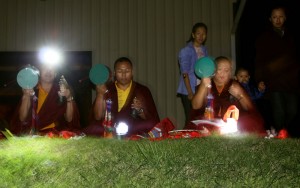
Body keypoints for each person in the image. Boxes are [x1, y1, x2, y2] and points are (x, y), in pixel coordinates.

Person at [186, 56, 265, 134]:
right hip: (210, 122)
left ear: (230, 73)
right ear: (213, 71)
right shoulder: (206, 83)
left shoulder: (236, 85)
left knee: (250, 122)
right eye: (219, 69)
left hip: (230, 123)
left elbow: (250, 108)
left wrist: (240, 95)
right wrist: (203, 85)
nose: (222, 73)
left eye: (226, 70)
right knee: (200, 125)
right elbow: (195, 106)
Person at [83, 57, 160, 137]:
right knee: (93, 128)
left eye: (127, 71)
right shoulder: (107, 89)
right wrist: (100, 94)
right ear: (114, 73)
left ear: (132, 72)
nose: (123, 75)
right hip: (111, 126)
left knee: (152, 124)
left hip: (132, 126)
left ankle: (119, 135)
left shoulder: (142, 90)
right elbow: (98, 117)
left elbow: (151, 117)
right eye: (120, 71)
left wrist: (140, 110)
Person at [254, 4, 300, 135]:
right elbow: (259, 61)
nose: (278, 20)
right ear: (270, 19)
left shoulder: (291, 37)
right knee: (279, 110)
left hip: (290, 82)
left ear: (285, 18)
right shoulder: (264, 38)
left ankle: (281, 131)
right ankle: (280, 137)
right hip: (273, 81)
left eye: (280, 17)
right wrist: (259, 80)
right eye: (275, 17)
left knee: (293, 110)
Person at [10, 64, 81, 136]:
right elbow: (22, 118)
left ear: (55, 74)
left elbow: (69, 119)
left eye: (52, 69)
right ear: (39, 73)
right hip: (33, 132)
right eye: (45, 68)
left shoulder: (62, 91)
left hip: (55, 132)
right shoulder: (31, 89)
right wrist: (26, 96)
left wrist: (69, 97)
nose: (48, 71)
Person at [177, 22, 209, 124]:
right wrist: (190, 92)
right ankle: (185, 138)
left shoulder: (204, 50)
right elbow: (184, 72)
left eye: (203, 34)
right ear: (193, 34)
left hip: (200, 88)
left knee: (200, 117)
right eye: (198, 33)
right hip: (189, 89)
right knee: (190, 117)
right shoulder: (186, 51)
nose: (201, 36)